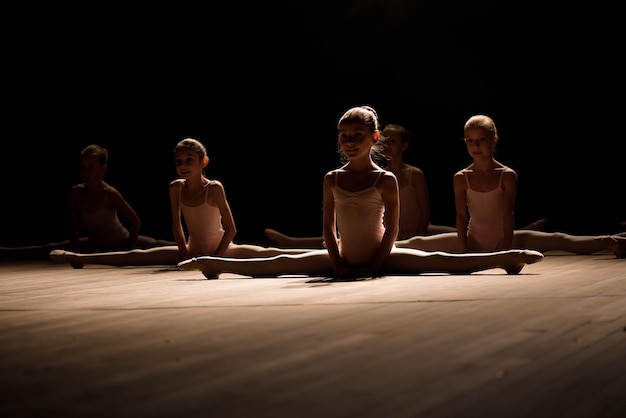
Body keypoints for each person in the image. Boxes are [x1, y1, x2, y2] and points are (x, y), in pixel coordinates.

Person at [178, 106, 545, 280]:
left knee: (442, 263)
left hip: (384, 256)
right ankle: (214, 264)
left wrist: (374, 264)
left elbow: (393, 231)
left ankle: (507, 257)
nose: (349, 142)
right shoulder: (332, 178)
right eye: (343, 136)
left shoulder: (386, 180)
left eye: (357, 136)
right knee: (277, 265)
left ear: (374, 139)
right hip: (341, 257)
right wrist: (336, 261)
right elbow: (327, 229)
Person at [263, 122, 544, 248]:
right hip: (396, 233)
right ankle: (291, 242)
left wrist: (415, 233)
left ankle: (524, 231)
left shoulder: (413, 173)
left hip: (420, 228)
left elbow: (424, 211)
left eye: (392, 141)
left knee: (435, 234)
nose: (386, 145)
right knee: (351, 236)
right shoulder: (376, 175)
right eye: (383, 141)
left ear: (404, 145)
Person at [49, 138, 311, 267]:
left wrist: (215, 259)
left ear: (203, 162)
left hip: (223, 250)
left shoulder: (214, 188)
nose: (183, 166)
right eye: (179, 161)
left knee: (271, 255)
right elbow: (177, 227)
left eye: (189, 160)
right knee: (137, 256)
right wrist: (185, 255)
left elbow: (231, 229)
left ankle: (328, 254)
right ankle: (76, 255)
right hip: (190, 249)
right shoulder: (175, 188)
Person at [392, 114, 626, 258]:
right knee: (417, 243)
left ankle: (611, 240)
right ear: (465, 143)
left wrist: (506, 249)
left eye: (482, 139)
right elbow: (461, 217)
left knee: (559, 239)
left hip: (507, 237)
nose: (476, 145)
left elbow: (507, 214)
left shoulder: (507, 175)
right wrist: (464, 248)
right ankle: (378, 248)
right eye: (470, 140)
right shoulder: (461, 177)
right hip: (473, 239)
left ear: (494, 140)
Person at [0, 144, 175, 261]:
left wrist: (129, 250)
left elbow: (135, 222)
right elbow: (74, 225)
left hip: (120, 241)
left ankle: (198, 247)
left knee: (157, 244)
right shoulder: (76, 191)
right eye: (83, 166)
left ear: (102, 168)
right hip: (95, 242)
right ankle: (5, 251)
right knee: (50, 247)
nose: (85, 171)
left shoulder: (110, 193)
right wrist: (75, 249)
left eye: (91, 167)